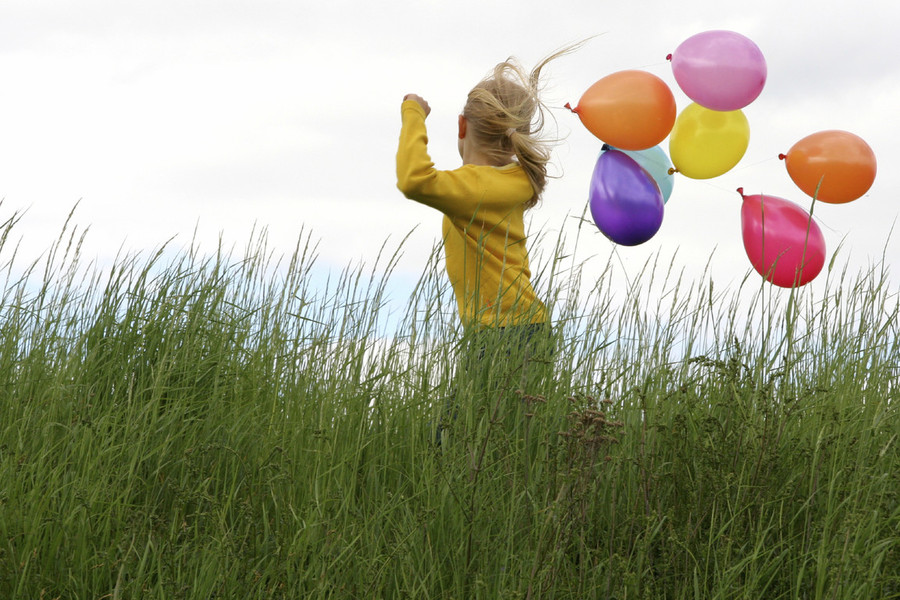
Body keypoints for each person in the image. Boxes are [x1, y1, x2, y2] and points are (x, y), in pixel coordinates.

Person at [396, 50, 573, 443]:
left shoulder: (473, 187)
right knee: (499, 440)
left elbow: (413, 180)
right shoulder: (510, 180)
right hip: (522, 329)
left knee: (450, 439)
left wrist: (413, 113)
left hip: (503, 333)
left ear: (462, 125)